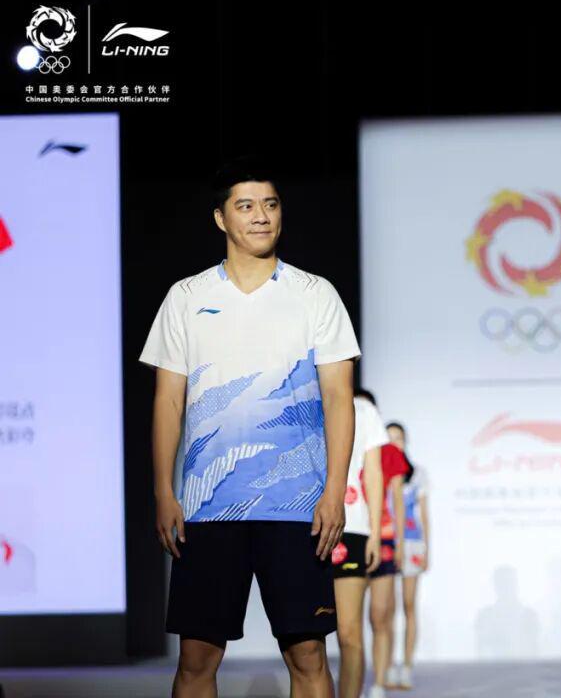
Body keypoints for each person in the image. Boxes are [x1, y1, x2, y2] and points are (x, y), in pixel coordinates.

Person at [141, 157, 362, 698]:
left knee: (308, 653)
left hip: (299, 506)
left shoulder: (314, 293)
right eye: (245, 206)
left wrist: (334, 491)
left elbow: (339, 396)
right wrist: (164, 492)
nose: (261, 216)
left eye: (270, 204)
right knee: (196, 658)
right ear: (221, 218)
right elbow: (169, 400)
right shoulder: (186, 297)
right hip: (207, 506)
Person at [333, 389, 407, 698]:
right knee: (306, 641)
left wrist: (383, 535)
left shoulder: (364, 412)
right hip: (304, 528)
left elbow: (386, 487)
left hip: (359, 530)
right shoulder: (302, 404)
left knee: (368, 622)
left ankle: (377, 682)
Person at [386, 422, 430, 690]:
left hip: (412, 544)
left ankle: (407, 666)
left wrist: (427, 549)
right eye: (389, 438)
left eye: (398, 438)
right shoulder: (378, 472)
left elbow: (424, 515)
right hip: (387, 542)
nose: (394, 443)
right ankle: (389, 665)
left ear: (406, 441)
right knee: (386, 609)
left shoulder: (418, 475)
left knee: (409, 605)